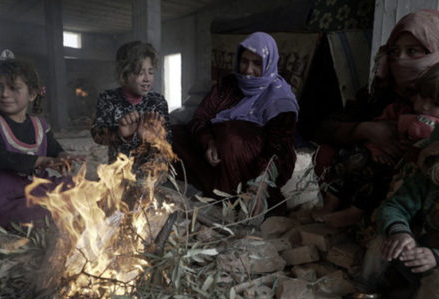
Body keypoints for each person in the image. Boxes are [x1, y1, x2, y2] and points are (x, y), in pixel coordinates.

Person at [312, 9, 439, 228]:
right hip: (372, 167)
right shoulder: (382, 92)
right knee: (331, 153)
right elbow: (323, 127)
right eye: (394, 51)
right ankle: (343, 212)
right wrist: (367, 129)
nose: (400, 60)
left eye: (413, 51)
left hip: (418, 189)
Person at [172, 32, 299, 216]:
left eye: (257, 64)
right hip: (217, 155)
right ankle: (218, 190)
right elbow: (200, 117)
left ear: (269, 64)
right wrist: (208, 142)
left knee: (231, 136)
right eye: (244, 61)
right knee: (172, 134)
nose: (248, 70)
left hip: (252, 170)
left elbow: (279, 149)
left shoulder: (280, 98)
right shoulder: (228, 85)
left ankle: (244, 200)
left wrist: (262, 184)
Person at [0, 51, 84, 228]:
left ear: (32, 94)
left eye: (13, 88)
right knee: (40, 213)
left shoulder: (40, 124)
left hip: (39, 189)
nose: (5, 94)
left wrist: (64, 157)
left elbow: (54, 148)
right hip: (9, 200)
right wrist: (41, 161)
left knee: (82, 187)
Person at [353, 128, 439, 299]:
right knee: (386, 242)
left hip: (435, 264)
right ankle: (367, 291)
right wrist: (400, 232)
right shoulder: (427, 179)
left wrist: (436, 257)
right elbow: (395, 207)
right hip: (418, 253)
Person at [91, 41, 172, 167]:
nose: (147, 78)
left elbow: (168, 142)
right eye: (140, 72)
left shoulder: (158, 101)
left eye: (150, 72)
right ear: (124, 74)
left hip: (152, 176)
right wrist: (120, 134)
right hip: (119, 175)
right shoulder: (108, 98)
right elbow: (97, 134)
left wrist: (154, 139)